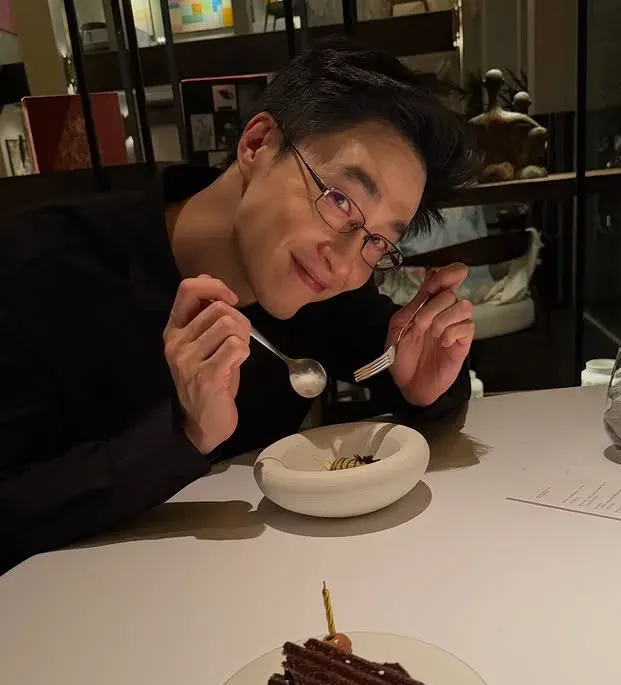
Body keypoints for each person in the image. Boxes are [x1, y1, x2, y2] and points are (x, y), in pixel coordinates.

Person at [0, 40, 477, 571]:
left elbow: (397, 365)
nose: (345, 264)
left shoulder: (320, 287)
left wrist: (424, 387)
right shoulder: (37, 269)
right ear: (257, 144)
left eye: (378, 241)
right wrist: (184, 434)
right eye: (341, 200)